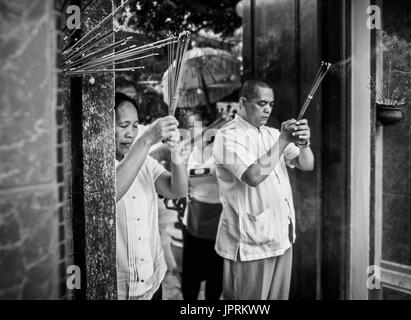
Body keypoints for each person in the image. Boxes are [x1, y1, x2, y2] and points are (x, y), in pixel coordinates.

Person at [212, 80, 314, 300]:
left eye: (271, 104)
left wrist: (304, 143)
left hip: (281, 237)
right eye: (261, 103)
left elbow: (306, 164)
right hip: (250, 243)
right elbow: (253, 176)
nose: (268, 109)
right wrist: (285, 138)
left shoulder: (270, 134)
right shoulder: (227, 137)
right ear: (242, 102)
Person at [114, 92, 188, 300]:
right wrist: (146, 139)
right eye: (123, 125)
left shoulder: (144, 162)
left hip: (152, 280)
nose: (131, 133)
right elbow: (110, 194)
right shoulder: (96, 168)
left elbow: (178, 190)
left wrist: (175, 153)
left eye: (135, 125)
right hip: (119, 289)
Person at [181, 112, 224, 300]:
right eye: (190, 127)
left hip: (218, 221)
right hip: (193, 221)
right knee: (190, 279)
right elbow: (179, 179)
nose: (194, 130)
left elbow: (202, 173)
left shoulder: (220, 148)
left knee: (215, 280)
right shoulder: (185, 150)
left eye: (198, 125)